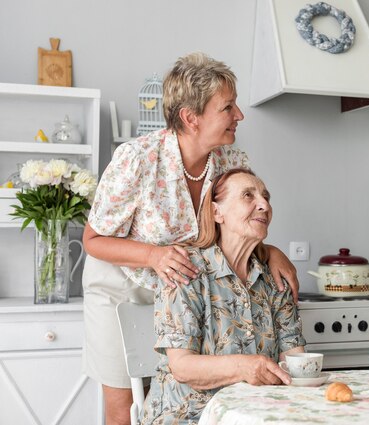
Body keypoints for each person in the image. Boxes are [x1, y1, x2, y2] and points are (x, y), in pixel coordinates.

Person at [82, 53, 300, 425]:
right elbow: (93, 239)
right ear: (190, 117)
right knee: (124, 402)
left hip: (183, 289)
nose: (239, 116)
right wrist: (153, 256)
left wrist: (272, 250)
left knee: (175, 389)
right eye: (227, 107)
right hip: (121, 284)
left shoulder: (231, 158)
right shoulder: (137, 158)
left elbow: (236, 221)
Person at [141, 168, 306, 424]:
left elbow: (293, 359)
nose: (264, 205)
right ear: (217, 212)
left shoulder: (275, 277)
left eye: (266, 197)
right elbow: (182, 367)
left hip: (258, 413)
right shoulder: (186, 269)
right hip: (189, 416)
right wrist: (244, 367)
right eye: (248, 196)